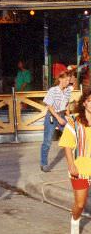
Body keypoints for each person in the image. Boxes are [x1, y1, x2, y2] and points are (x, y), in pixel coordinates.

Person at [60, 87, 91, 234]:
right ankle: (75, 222)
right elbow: (66, 144)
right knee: (80, 205)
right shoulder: (74, 121)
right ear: (84, 103)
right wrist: (71, 165)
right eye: (90, 101)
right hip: (80, 168)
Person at [42, 71, 73, 172]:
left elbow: (67, 103)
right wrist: (58, 118)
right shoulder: (53, 90)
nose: (67, 82)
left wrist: (68, 117)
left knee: (72, 136)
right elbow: (49, 106)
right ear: (60, 79)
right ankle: (44, 164)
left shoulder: (68, 90)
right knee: (47, 141)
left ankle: (74, 161)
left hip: (62, 115)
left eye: (69, 80)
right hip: (52, 116)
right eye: (65, 79)